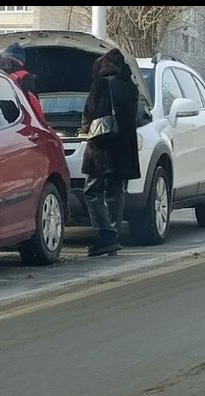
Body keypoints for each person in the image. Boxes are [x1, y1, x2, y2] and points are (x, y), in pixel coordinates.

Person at [80, 48, 141, 257]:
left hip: (102, 147)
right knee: (116, 192)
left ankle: (105, 234)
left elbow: (92, 112)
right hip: (124, 148)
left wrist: (85, 126)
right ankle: (113, 235)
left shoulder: (102, 85)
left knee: (92, 191)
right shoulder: (130, 87)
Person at [0, 42, 46, 122]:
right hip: (15, 125)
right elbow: (33, 105)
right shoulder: (23, 76)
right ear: (21, 61)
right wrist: (42, 124)